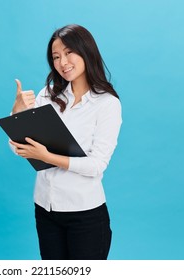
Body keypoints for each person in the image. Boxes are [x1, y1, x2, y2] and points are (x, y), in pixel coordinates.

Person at [9, 24, 122, 260]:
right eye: (56, 57)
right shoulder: (47, 95)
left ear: (86, 51)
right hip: (45, 209)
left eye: (69, 52)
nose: (63, 62)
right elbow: (19, 147)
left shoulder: (107, 103)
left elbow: (96, 165)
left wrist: (47, 157)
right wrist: (16, 114)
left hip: (85, 214)